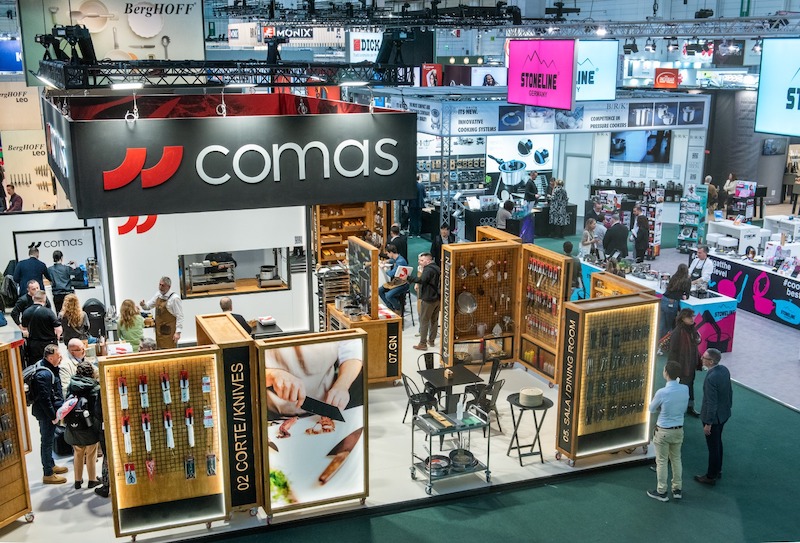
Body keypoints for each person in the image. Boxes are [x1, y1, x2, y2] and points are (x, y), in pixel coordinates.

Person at [263, 338, 363, 417]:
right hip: (272, 414)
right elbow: (252, 365)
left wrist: (342, 385)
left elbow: (351, 348)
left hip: (324, 410)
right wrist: (272, 375)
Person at [647, 361, 690, 502]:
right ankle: (677, 489)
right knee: (676, 459)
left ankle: (661, 491)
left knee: (661, 461)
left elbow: (651, 408)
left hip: (663, 431)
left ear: (666, 373)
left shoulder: (662, 392)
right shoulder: (685, 389)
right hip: (678, 430)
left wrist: (661, 408)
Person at [695, 348, 733, 486]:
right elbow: (729, 392)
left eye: (704, 357)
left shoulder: (711, 378)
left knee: (713, 447)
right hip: (724, 414)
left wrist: (708, 423)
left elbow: (711, 402)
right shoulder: (724, 370)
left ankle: (711, 476)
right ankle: (718, 469)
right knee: (718, 443)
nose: (701, 359)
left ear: (710, 361)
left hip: (713, 418)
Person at [32, 344, 68, 484]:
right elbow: (44, 399)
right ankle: (48, 473)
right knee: (47, 442)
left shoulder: (47, 367)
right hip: (46, 415)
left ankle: (51, 465)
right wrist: (53, 416)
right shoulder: (44, 374)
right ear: (50, 357)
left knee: (49, 440)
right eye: (58, 356)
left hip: (48, 413)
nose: (61, 358)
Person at [63, 361, 101, 490]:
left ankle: (77, 481)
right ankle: (92, 480)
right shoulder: (95, 387)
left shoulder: (72, 385)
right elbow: (97, 409)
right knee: (91, 454)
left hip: (73, 425)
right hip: (89, 425)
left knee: (78, 453)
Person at [669, 308, 702, 417]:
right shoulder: (677, 332)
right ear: (683, 318)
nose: (692, 319)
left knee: (690, 385)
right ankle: (677, 408)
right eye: (689, 317)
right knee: (681, 388)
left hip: (690, 364)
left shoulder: (692, 329)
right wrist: (673, 367)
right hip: (682, 365)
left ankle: (689, 407)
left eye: (692, 316)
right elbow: (673, 351)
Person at [407, 252, 440, 351]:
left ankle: (422, 343)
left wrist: (408, 278)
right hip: (437, 299)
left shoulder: (428, 269)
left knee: (424, 320)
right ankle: (431, 341)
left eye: (421, 260)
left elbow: (422, 280)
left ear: (428, 261)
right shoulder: (437, 268)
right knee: (434, 320)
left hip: (428, 299)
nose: (419, 262)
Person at [140, 276, 184, 349]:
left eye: (163, 285)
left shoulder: (174, 298)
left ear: (168, 287)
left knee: (169, 350)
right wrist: (143, 305)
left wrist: (178, 332)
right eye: (160, 285)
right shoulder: (158, 295)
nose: (160, 287)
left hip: (169, 332)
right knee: (160, 349)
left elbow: (180, 316)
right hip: (159, 331)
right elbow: (148, 306)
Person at [21, 290, 62, 367]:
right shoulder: (48, 312)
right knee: (51, 365)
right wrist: (57, 337)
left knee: (35, 366)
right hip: (49, 344)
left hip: (33, 345)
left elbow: (24, 329)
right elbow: (58, 329)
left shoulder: (26, 312)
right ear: (45, 299)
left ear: (33, 298)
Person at [659, 264, 692, 344]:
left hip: (664, 300)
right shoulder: (687, 280)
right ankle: (667, 344)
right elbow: (687, 294)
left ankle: (657, 343)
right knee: (670, 326)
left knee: (662, 325)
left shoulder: (674, 277)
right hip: (671, 303)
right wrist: (684, 296)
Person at [378, 244, 409, 313]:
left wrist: (384, 268)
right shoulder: (399, 258)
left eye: (387, 253)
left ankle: (398, 308)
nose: (387, 255)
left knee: (388, 295)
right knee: (379, 290)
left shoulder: (400, 261)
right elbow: (393, 260)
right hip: (397, 281)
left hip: (402, 284)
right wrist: (387, 261)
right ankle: (391, 308)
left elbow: (391, 274)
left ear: (391, 252)